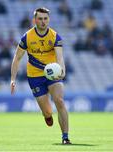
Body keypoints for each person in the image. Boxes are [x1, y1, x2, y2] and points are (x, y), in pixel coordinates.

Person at [10, 7, 71, 145]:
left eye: (45, 19)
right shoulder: (27, 37)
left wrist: (62, 71)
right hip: (35, 76)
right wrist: (13, 79)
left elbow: (60, 57)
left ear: (48, 19)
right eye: (40, 19)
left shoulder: (55, 36)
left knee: (59, 100)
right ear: (35, 20)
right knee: (48, 112)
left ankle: (65, 137)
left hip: (53, 75)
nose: (43, 22)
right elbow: (17, 58)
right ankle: (47, 116)